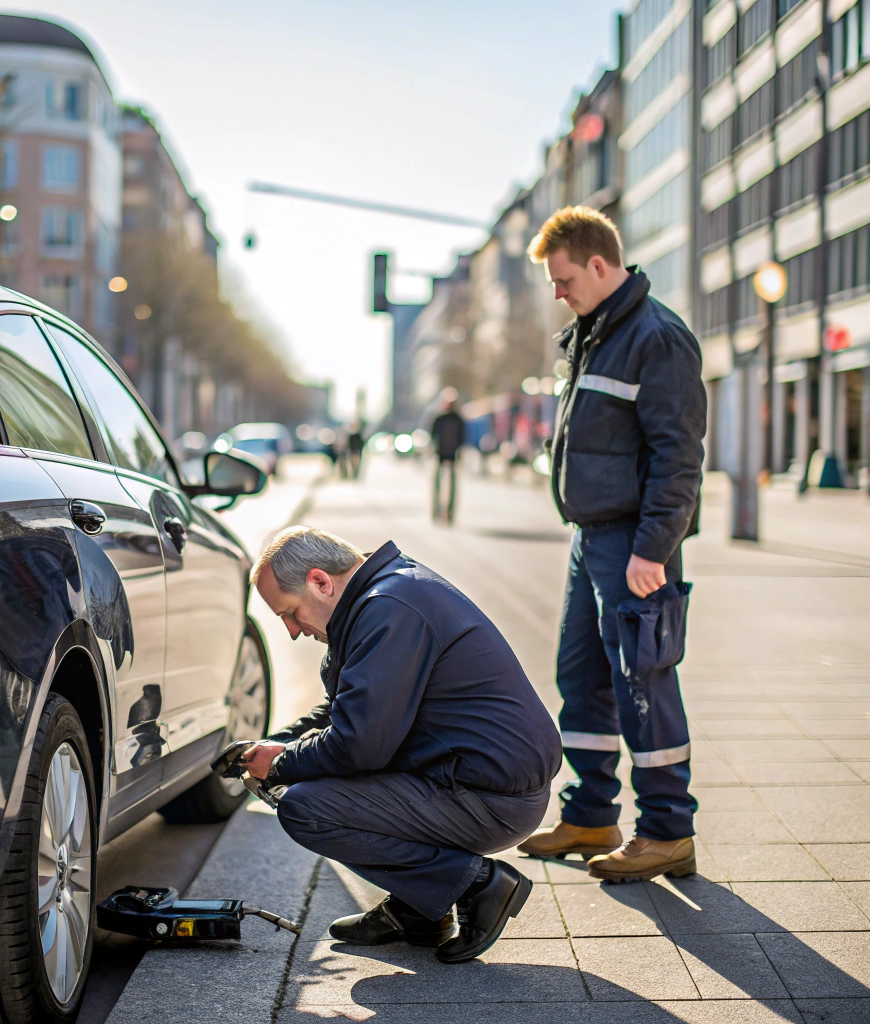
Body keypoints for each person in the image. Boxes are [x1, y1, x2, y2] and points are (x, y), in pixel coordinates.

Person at [243, 526, 561, 963]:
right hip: (474, 780)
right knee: (326, 779)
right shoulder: (386, 593)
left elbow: (359, 746)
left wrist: (280, 765)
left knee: (305, 807)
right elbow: (352, 708)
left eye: (290, 612)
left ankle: (479, 885)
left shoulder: (387, 611)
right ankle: (418, 911)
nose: (293, 630)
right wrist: (280, 742)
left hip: (490, 799)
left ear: (320, 581)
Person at [517, 206, 706, 881]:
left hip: (633, 542)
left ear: (599, 264)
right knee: (583, 679)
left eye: (564, 279)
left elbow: (678, 457)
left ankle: (667, 831)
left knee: (642, 683)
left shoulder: (657, 338)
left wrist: (653, 549)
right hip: (591, 537)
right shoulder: (594, 334)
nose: (557, 293)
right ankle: (591, 812)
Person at [430, 392, 464, 523]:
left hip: (453, 453)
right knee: (437, 483)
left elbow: (461, 437)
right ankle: (436, 511)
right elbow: (433, 435)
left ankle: (449, 513)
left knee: (452, 485)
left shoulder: (458, 419)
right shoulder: (439, 418)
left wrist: (460, 451)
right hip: (440, 453)